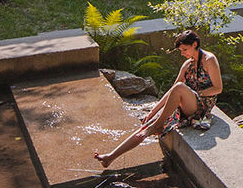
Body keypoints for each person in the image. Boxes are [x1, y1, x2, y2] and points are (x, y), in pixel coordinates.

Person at [93, 30, 222, 168]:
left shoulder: (209, 60)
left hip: (202, 106)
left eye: (185, 49)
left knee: (179, 88)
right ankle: (110, 157)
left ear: (195, 44)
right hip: (186, 103)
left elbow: (218, 88)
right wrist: (152, 112)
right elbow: (172, 91)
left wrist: (194, 92)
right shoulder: (187, 64)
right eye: (180, 50)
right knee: (146, 126)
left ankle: (157, 125)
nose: (182, 53)